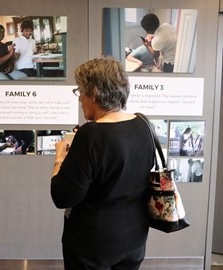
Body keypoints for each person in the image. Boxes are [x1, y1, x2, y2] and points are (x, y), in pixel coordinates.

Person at [51, 57, 154, 270]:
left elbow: (63, 196)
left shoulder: (91, 134)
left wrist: (60, 157)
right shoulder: (143, 124)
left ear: (95, 93)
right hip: (135, 238)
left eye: (80, 91)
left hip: (94, 243)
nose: (79, 99)